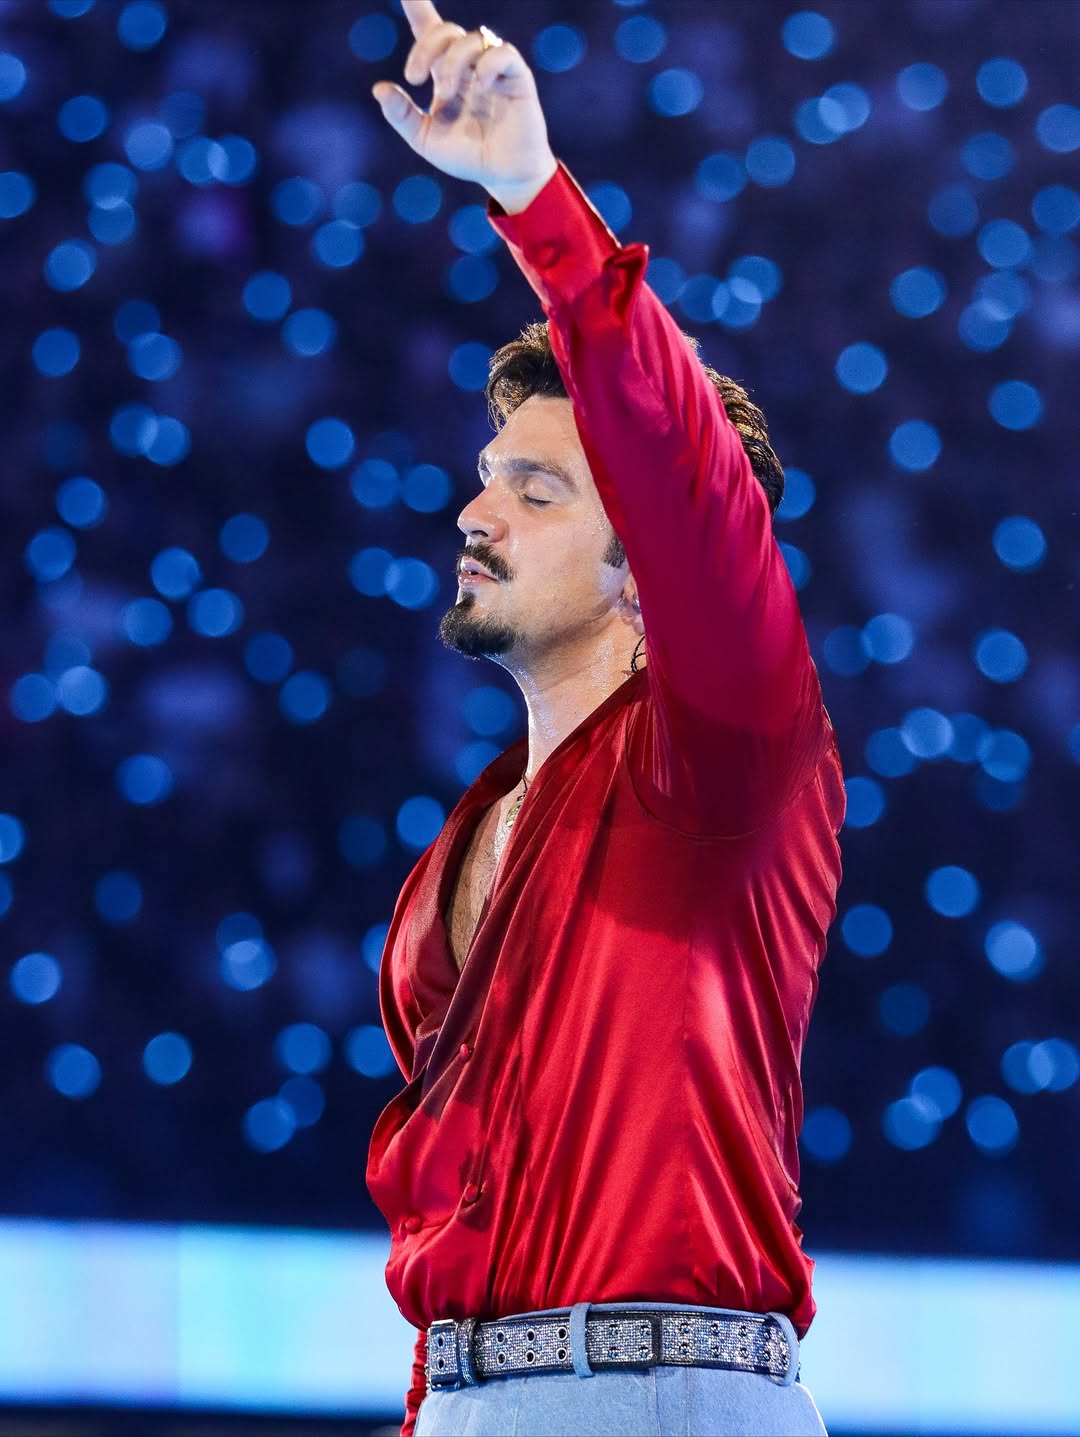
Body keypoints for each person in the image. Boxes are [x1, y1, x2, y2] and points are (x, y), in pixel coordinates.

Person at [365, 5, 845, 1434]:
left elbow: (685, 470)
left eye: (536, 491)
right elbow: (457, 1222)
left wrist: (530, 192)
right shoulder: (471, 835)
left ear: (650, 565)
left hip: (661, 1399)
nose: (476, 512)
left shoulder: (728, 758)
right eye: (487, 476)